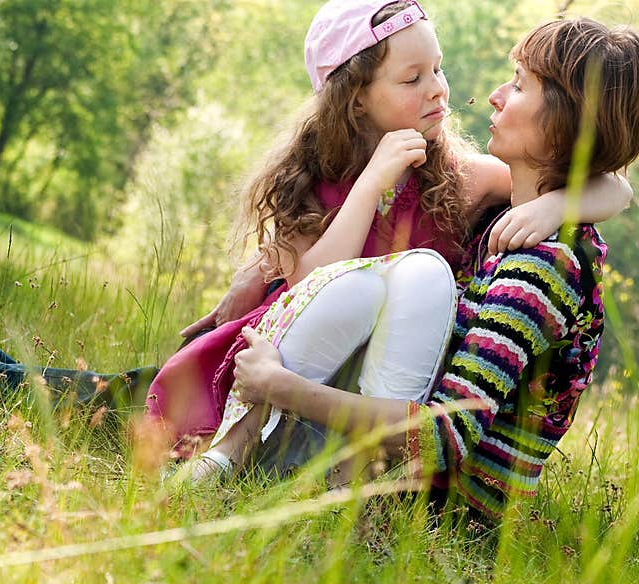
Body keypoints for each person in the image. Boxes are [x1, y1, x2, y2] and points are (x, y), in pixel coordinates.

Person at [0, 2, 631, 465]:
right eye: (415, 77)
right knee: (57, 395)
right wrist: (368, 189)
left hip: (305, 411)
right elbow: (311, 288)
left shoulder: (463, 180)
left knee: (59, 390)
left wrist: (559, 207)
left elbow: (613, 179)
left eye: (439, 68)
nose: (445, 90)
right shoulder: (316, 189)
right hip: (230, 381)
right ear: (356, 99)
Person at [191, 15, 639, 520]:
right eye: (412, 77)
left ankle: (272, 472)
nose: (492, 95)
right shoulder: (502, 227)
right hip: (383, 447)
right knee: (380, 284)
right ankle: (229, 458)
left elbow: (442, 436)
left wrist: (278, 385)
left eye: (518, 85)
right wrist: (260, 265)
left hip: (438, 504)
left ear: (563, 123)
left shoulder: (540, 266)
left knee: (419, 272)